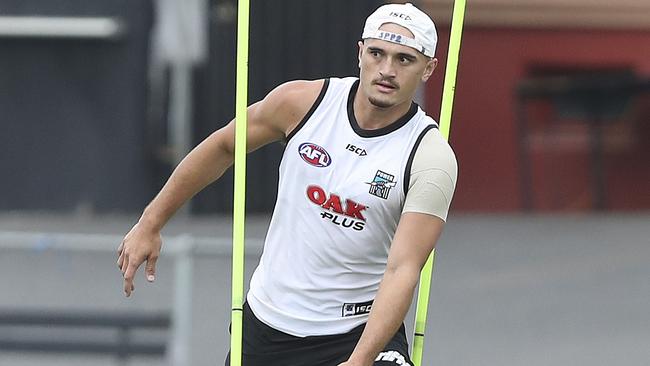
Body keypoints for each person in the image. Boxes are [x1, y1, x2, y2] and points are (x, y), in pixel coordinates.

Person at [117, 2, 458, 365]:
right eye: (377, 53)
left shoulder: (430, 158)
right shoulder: (302, 103)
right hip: (268, 325)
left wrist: (359, 360)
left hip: (358, 333)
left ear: (429, 69)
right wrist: (150, 222)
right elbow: (221, 147)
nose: (387, 70)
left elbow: (403, 269)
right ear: (361, 52)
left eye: (404, 60)